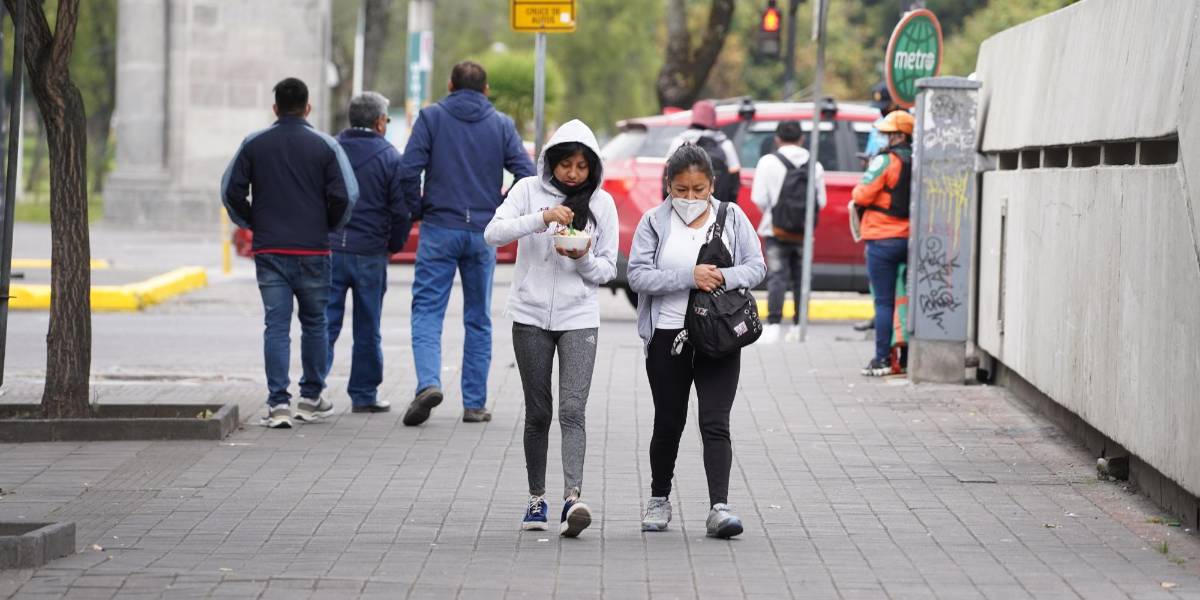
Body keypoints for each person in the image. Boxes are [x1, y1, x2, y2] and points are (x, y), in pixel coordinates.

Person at [484, 119, 618, 537]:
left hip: (579, 317)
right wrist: (540, 218)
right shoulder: (526, 190)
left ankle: (572, 500)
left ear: (592, 167)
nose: (573, 174)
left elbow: (608, 268)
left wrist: (581, 258)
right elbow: (493, 232)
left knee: (572, 410)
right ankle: (536, 498)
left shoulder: (603, 204)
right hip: (529, 316)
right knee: (538, 413)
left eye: (581, 166)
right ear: (551, 164)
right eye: (565, 165)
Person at [627, 144, 766, 539]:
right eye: (681, 189)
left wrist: (722, 277)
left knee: (715, 422)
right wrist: (689, 276)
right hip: (667, 337)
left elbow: (756, 267)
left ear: (712, 186)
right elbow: (637, 276)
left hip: (719, 336)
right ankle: (658, 498)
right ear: (668, 185)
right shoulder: (653, 222)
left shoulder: (732, 216)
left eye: (698, 189)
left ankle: (719, 508)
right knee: (668, 422)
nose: (690, 198)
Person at [398, 61, 537, 426]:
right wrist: (501, 205)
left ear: (449, 84)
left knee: (427, 309)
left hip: (439, 227)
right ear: (486, 89)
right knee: (478, 317)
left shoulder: (430, 119)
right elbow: (527, 174)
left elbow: (408, 171)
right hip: (482, 231)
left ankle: (428, 382)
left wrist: (419, 209)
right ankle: (474, 404)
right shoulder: (502, 125)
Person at [221, 77, 359, 428]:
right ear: (308, 107)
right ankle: (311, 398)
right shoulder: (326, 146)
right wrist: (327, 225)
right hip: (314, 250)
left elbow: (230, 191)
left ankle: (278, 404)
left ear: (275, 108)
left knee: (276, 326)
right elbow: (347, 195)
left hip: (270, 249)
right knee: (315, 324)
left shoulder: (254, 144)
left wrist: (254, 222)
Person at [324, 92, 412, 413]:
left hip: (331, 249)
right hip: (371, 253)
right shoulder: (391, 157)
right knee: (367, 326)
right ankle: (363, 395)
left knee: (325, 322)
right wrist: (393, 246)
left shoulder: (330, 149)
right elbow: (401, 211)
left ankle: (312, 390)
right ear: (379, 122)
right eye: (386, 120)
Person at [750, 120, 826, 344]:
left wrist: (776, 213)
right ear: (802, 139)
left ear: (777, 138)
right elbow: (820, 200)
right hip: (804, 233)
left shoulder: (767, 162)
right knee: (802, 279)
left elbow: (759, 198)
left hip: (776, 230)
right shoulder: (815, 165)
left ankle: (773, 326)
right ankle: (798, 327)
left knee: (777, 277)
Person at [852, 110, 914, 377]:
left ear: (899, 135)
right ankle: (909, 358)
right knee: (909, 300)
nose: (885, 138)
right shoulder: (919, 160)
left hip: (882, 239)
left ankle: (882, 360)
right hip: (910, 239)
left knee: (885, 302)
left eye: (889, 134)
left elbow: (862, 194)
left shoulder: (885, 161)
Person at [665, 100, 741, 203]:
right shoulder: (724, 143)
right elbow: (734, 179)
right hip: (717, 207)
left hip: (682, 205)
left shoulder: (679, 141)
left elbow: (667, 173)